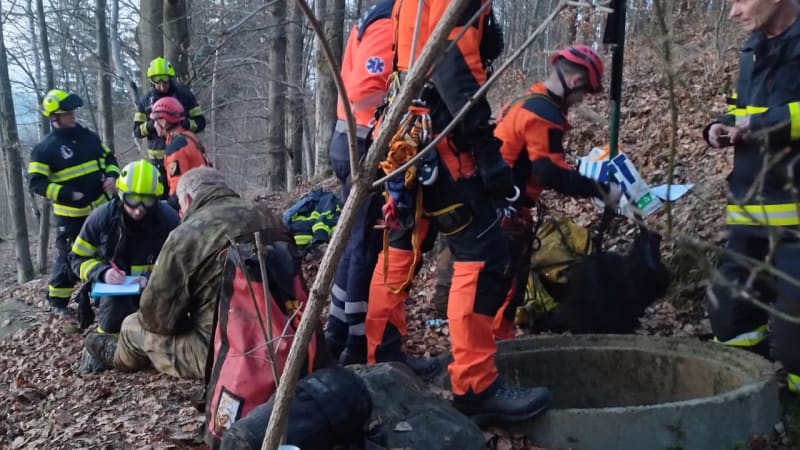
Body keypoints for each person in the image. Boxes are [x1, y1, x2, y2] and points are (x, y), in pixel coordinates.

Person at [365, 0, 552, 424]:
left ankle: (383, 357)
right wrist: (488, 155)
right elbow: (453, 69)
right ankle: (475, 386)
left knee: (399, 249)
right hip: (442, 141)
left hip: (408, 134)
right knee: (482, 254)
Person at [84, 167, 288, 379]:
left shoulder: (186, 234)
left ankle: (117, 357)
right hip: (284, 336)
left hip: (224, 352)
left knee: (131, 326)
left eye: (180, 206)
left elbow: (157, 320)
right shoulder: (269, 216)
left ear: (188, 200)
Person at [704, 0, 800, 395]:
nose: (732, 12)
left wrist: (762, 124)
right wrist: (719, 126)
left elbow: (765, 118)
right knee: (729, 314)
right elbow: (740, 110)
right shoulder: (752, 49)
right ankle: (743, 396)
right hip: (748, 210)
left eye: (740, 0)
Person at [494, 45, 621, 336]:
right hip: (505, 215)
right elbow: (548, 172)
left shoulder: (523, 101)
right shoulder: (544, 113)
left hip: (496, 208)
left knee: (498, 289)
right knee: (505, 292)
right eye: (583, 94)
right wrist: (601, 189)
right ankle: (495, 356)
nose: (579, 101)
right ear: (575, 82)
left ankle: (492, 353)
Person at [325, 0, 395, 365]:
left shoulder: (378, 16)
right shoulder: (386, 22)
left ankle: (338, 329)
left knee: (354, 241)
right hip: (363, 144)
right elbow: (368, 89)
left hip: (355, 141)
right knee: (363, 245)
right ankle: (355, 340)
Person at [28, 89, 120, 315]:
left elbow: (109, 158)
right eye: (66, 113)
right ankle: (58, 302)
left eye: (72, 112)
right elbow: (36, 183)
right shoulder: (44, 149)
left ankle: (102, 295)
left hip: (100, 208)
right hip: (71, 217)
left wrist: (112, 176)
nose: (72, 116)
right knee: (70, 257)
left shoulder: (88, 137)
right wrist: (68, 194)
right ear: (54, 118)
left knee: (107, 250)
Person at [69, 160, 179, 337]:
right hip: (115, 293)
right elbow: (77, 259)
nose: (138, 211)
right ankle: (105, 346)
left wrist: (150, 279)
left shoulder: (169, 220)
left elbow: (180, 264)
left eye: (147, 201)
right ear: (121, 194)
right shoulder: (101, 218)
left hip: (157, 287)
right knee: (113, 318)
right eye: (132, 200)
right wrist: (103, 273)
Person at [133, 57, 206, 193]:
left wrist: (184, 123)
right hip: (158, 162)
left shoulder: (184, 96)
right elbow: (137, 130)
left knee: (182, 191)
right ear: (151, 81)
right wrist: (153, 124)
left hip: (182, 153)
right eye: (157, 80)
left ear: (170, 78)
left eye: (165, 79)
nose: (162, 85)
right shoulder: (145, 101)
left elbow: (200, 123)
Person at [149, 96, 210, 209]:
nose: (154, 125)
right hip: (203, 198)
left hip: (191, 208)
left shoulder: (175, 149)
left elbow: (178, 192)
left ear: (164, 121)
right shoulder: (188, 137)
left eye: (155, 120)